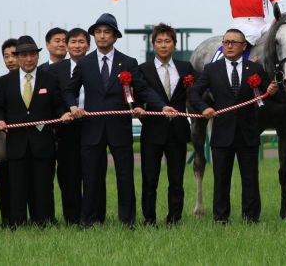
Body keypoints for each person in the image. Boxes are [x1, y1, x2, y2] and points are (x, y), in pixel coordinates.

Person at [65, 13, 177, 228]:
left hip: (120, 129)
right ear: (94, 36)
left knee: (125, 178)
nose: (102, 36)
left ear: (115, 36)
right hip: (92, 129)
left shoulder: (128, 62)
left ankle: (127, 221)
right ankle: (87, 221)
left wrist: (162, 106)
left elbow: (143, 89)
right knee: (90, 178)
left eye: (107, 32)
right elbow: (70, 90)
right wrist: (72, 106)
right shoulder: (84, 63)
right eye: (98, 32)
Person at [189, 29, 278, 223]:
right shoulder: (212, 69)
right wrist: (204, 108)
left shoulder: (254, 69)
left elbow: (268, 91)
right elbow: (194, 93)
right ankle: (220, 218)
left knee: (250, 179)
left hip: (248, 133)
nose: (229, 45)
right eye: (226, 42)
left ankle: (251, 218)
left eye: (234, 42)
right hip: (222, 134)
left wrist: (272, 88)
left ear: (244, 46)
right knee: (221, 179)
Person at [0, 36, 72, 227]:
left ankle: (44, 222)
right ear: (18, 57)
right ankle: (17, 224)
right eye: (24, 55)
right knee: (17, 186)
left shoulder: (50, 79)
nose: (28, 59)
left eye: (32, 55)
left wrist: (63, 114)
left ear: (37, 57)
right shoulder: (5, 82)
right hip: (16, 144)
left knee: (43, 186)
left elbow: (59, 105)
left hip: (43, 144)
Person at [138, 23, 197, 226]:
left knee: (176, 180)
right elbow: (136, 95)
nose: (163, 45)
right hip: (152, 131)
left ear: (174, 44)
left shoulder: (186, 68)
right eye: (159, 41)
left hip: (178, 132)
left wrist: (206, 109)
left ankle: (174, 219)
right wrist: (137, 109)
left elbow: (197, 92)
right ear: (153, 45)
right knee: (149, 179)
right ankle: (149, 219)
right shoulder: (142, 69)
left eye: (167, 41)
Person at [48, 28, 90, 224]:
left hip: (93, 127)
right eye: (72, 42)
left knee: (92, 175)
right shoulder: (54, 70)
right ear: (67, 45)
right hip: (65, 129)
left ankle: (93, 216)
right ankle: (72, 218)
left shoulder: (95, 65)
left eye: (81, 42)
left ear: (88, 45)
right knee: (68, 176)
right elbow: (53, 100)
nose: (77, 46)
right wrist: (61, 114)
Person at [0, 39, 19, 227]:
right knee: (4, 180)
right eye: (6, 56)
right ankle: (6, 220)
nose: (10, 60)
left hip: (18, 137)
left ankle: (17, 220)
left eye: (13, 55)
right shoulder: (1, 80)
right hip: (2, 137)